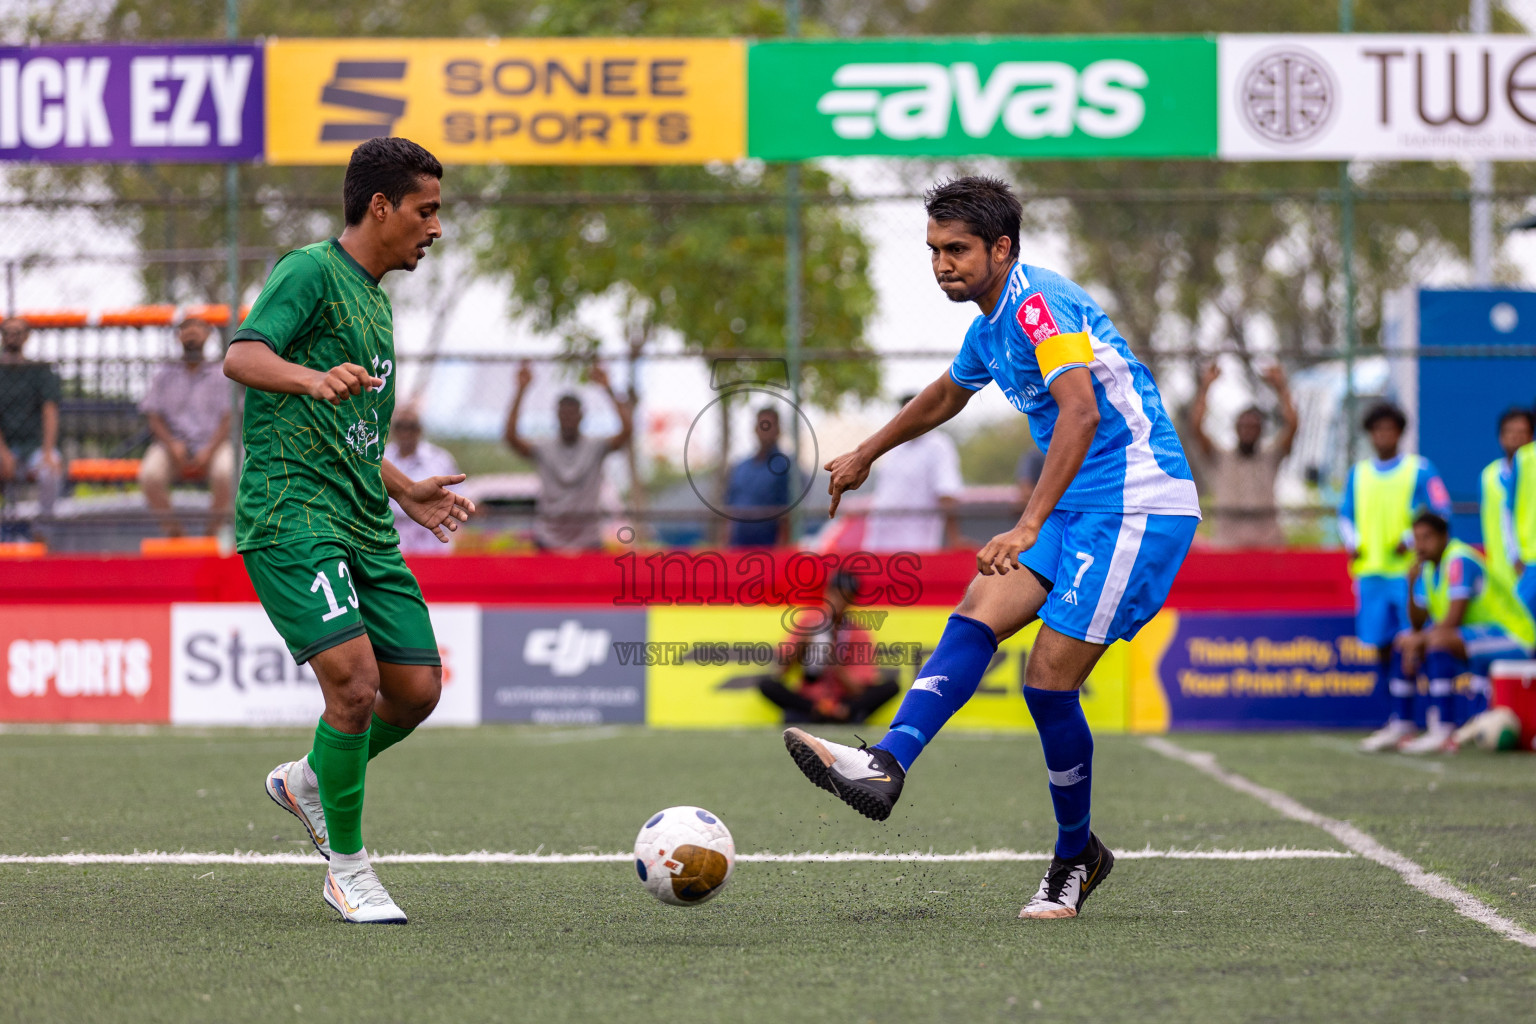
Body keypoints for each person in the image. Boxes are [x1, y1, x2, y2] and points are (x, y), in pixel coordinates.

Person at [780, 176, 1201, 920]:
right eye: (936, 250)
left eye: (959, 249)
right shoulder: (989, 326)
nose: (943, 263)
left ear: (1001, 249)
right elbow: (945, 395)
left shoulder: (1040, 306)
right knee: (976, 614)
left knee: (1047, 684)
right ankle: (887, 764)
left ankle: (1078, 856)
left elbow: (1080, 414)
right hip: (1080, 505)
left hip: (1137, 503)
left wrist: (1029, 522)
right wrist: (867, 453)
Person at [223, 137, 475, 925]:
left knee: (416, 689)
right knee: (356, 685)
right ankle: (349, 869)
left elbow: (357, 434)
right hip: (292, 513)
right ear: (380, 207)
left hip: (365, 521)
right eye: (425, 211)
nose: (435, 228)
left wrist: (408, 492)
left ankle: (307, 781)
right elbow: (241, 355)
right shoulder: (310, 271)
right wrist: (308, 375)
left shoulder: (375, 300)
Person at [1347, 403, 1454, 752]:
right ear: (1370, 434)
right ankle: (1399, 721)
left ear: (1400, 432)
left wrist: (1410, 542)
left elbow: (1441, 510)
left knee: (1418, 641)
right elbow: (1345, 515)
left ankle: (1436, 720)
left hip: (1411, 574)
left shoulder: (1419, 470)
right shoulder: (1359, 473)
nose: (1384, 435)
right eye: (1378, 429)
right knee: (1381, 647)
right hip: (1372, 575)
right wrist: (1354, 543)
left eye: (1390, 429)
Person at [1380, 512, 1533, 754]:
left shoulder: (1459, 560)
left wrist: (1419, 641)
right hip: (1478, 638)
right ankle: (1402, 724)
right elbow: (1418, 625)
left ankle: (1443, 729)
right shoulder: (1428, 569)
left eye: (1427, 537)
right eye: (1416, 539)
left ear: (1444, 537)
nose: (1420, 545)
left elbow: (1452, 621)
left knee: (1436, 642)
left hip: (1516, 637)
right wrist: (1410, 585)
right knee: (1404, 640)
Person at [504, 361, 631, 551]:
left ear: (582, 416)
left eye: (572, 415)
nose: (568, 419)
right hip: (548, 538)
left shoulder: (596, 446)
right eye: (564, 415)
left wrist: (608, 389)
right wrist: (520, 390)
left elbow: (626, 432)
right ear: (557, 416)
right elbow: (512, 438)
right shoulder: (544, 447)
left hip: (588, 539)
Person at [755, 572, 900, 724]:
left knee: (891, 687)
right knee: (766, 684)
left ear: (851, 600)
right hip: (809, 701)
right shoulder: (808, 622)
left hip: (843, 701)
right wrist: (802, 644)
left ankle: (841, 713)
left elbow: (858, 690)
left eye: (845, 597)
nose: (838, 601)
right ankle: (817, 711)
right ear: (827, 593)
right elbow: (780, 672)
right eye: (835, 594)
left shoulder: (858, 633)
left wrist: (835, 663)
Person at [137, 317, 234, 536]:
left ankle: (212, 532)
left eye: (198, 327)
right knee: (150, 475)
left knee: (227, 472)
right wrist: (172, 444)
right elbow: (153, 416)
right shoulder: (164, 374)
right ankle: (175, 534)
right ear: (178, 335)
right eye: (186, 328)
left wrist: (209, 449)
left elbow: (229, 418)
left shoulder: (222, 374)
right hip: (172, 445)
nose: (191, 332)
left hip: (213, 444)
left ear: (208, 334)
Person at [1188, 362, 1299, 548]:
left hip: (1268, 545)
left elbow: (1293, 426)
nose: (1249, 431)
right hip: (1228, 546)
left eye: (1254, 427)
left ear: (1261, 431)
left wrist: (1282, 388)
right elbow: (1196, 428)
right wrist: (1205, 387)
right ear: (1236, 429)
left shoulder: (1271, 456)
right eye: (1244, 426)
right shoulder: (1221, 457)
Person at [863, 393, 964, 552]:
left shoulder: (938, 446)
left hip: (916, 542)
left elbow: (947, 493)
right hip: (880, 539)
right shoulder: (893, 446)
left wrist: (954, 538)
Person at [0, 316, 63, 525]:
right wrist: (3, 452)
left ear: (26, 337)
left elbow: (50, 411)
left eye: (17, 333)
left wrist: (47, 451)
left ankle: (43, 533)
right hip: (4, 446)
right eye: (7, 333)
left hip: (34, 446)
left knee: (50, 472)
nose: (12, 338)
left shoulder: (39, 371)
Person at [383, 407, 461, 554]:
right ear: (393, 429)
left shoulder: (439, 459)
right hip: (393, 537)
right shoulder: (381, 458)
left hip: (431, 539)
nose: (406, 432)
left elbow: (458, 496)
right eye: (400, 426)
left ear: (419, 430)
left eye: (411, 427)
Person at [1481, 408, 1533, 599]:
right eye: (1510, 432)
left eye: (1522, 432)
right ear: (1500, 437)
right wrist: (1512, 555)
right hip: (1501, 572)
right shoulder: (1488, 476)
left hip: (1530, 564)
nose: (1516, 438)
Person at [723, 405, 792, 547]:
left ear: (778, 430)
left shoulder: (784, 467)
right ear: (755, 429)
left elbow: (787, 516)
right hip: (738, 546)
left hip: (769, 546)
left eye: (770, 425)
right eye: (762, 425)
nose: (765, 430)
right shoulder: (741, 468)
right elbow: (729, 511)